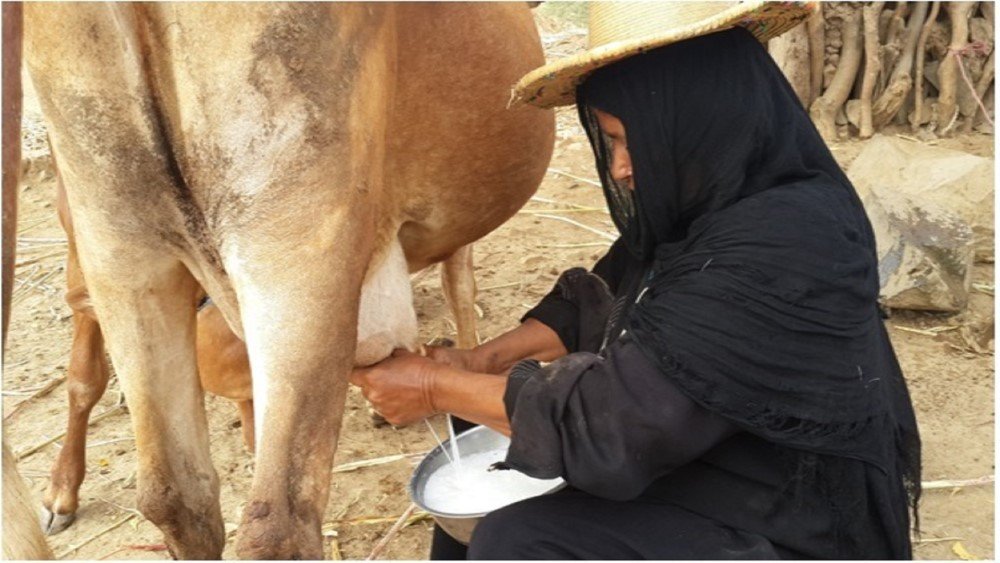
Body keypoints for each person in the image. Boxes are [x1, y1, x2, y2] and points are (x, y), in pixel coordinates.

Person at [350, 2, 921, 559]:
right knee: (481, 507)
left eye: (627, 139)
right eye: (612, 142)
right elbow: (606, 294)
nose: (619, 167)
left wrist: (431, 386)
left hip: (790, 515)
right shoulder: (711, 205)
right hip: (711, 462)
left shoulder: (787, 240)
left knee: (519, 541)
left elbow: (612, 428)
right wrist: (481, 362)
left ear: (696, 118)